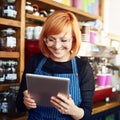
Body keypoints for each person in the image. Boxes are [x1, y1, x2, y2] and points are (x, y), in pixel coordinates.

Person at [16, 10, 95, 120]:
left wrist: (73, 110)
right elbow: (19, 105)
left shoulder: (83, 67)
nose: (57, 46)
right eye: (51, 39)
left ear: (73, 40)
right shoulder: (35, 61)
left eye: (64, 40)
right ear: (45, 39)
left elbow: (87, 115)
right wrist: (26, 102)